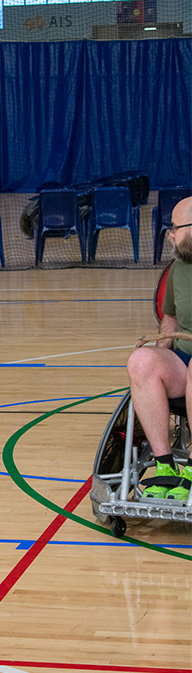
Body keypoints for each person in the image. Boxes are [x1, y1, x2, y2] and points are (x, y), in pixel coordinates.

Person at [127, 195, 192, 500]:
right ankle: (166, 466)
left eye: (175, 228)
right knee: (141, 360)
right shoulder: (179, 268)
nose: (170, 234)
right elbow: (171, 317)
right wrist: (160, 353)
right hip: (184, 364)